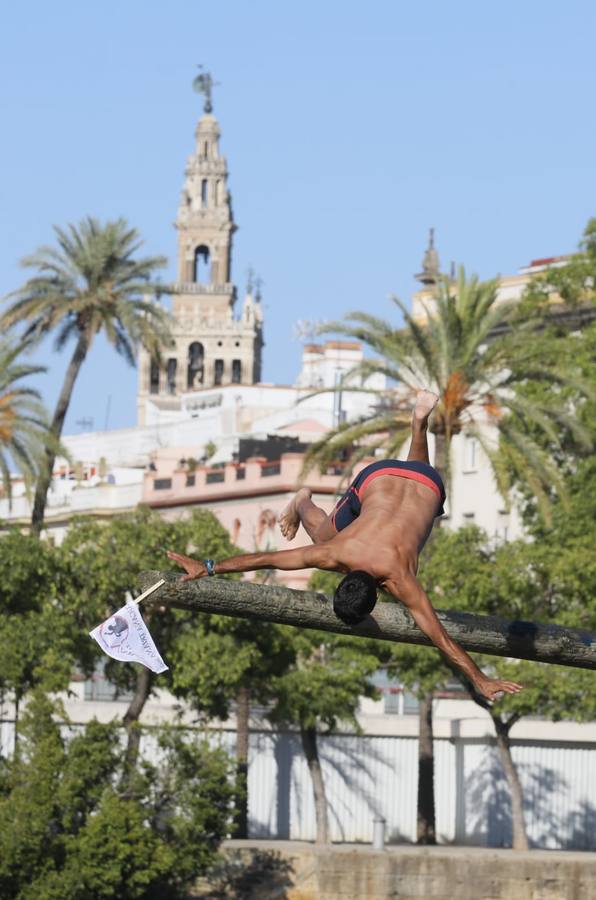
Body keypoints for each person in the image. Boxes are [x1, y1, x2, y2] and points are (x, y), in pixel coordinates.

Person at [167, 390, 523, 702]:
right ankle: (416, 427)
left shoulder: (387, 573)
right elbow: (266, 558)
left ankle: (304, 499)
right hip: (381, 477)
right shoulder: (345, 559)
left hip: (426, 483)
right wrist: (208, 566)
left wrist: (481, 680)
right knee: (334, 532)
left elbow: (440, 638)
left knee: (325, 533)